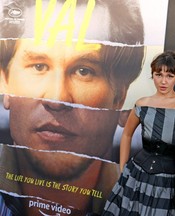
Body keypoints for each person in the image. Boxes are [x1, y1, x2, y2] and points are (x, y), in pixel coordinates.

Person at [0, 0, 145, 215]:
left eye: (84, 71)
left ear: (120, 96)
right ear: (5, 83)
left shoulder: (141, 203)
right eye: (39, 66)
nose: (57, 99)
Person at [102, 50, 175, 216]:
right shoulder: (142, 104)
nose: (163, 81)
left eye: (169, 76)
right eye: (158, 74)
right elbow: (127, 134)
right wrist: (123, 169)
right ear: (152, 75)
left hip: (169, 180)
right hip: (136, 174)